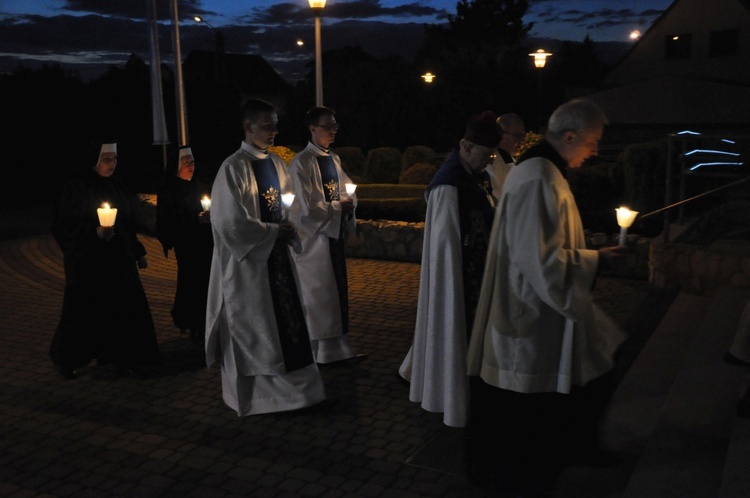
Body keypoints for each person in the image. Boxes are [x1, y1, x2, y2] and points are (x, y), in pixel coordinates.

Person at [465, 99, 629, 494]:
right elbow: (536, 258)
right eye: (592, 142)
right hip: (532, 308)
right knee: (531, 399)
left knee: (596, 364)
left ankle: (571, 448)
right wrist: (595, 259)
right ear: (570, 136)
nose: (594, 151)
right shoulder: (538, 176)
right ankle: (535, 467)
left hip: (546, 303)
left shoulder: (544, 170)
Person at [205, 98, 325, 416]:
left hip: (277, 261)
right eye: (267, 126)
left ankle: (297, 394)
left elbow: (292, 204)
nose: (274, 132)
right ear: (248, 127)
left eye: (275, 125)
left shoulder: (275, 164)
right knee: (257, 328)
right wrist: (273, 232)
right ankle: (258, 397)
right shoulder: (232, 168)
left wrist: (289, 225)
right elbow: (229, 222)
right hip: (248, 267)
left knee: (286, 324)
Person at [398, 111, 502, 427]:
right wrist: (453, 286)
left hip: (477, 274)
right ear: (465, 146)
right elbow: (443, 250)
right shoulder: (448, 185)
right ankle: (453, 397)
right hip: (459, 281)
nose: (488, 162)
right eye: (485, 155)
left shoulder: (474, 176)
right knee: (455, 332)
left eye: (491, 156)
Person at [50, 141, 161, 379]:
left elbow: (127, 224)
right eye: (107, 159)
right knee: (83, 312)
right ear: (94, 160)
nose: (112, 164)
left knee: (125, 309)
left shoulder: (117, 185)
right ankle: (67, 358)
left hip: (119, 259)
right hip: (89, 262)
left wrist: (138, 251)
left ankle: (126, 358)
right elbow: (65, 224)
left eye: (115, 159)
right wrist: (94, 232)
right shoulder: (77, 187)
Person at [288, 106, 361, 364]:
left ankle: (338, 347)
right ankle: (319, 352)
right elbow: (305, 207)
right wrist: (337, 207)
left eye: (335, 126)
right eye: (328, 126)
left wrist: (349, 203)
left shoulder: (333, 159)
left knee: (334, 293)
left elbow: (347, 190)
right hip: (314, 241)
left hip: (332, 236)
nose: (333, 131)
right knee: (319, 294)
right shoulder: (302, 162)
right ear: (312, 129)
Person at [156, 146, 214, 346]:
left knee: (206, 283)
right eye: (186, 162)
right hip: (187, 244)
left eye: (192, 161)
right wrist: (193, 220)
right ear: (176, 165)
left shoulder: (198, 185)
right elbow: (167, 219)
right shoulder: (169, 189)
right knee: (190, 284)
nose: (190, 165)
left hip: (204, 243)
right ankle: (192, 323)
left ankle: (206, 322)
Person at [486, 113, 525, 195]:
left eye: (523, 136)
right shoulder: (491, 162)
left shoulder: (509, 160)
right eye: (517, 135)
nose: (522, 140)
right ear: (501, 134)